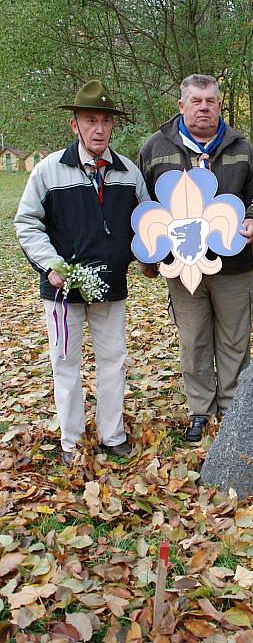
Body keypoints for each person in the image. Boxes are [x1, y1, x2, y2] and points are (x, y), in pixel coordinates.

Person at [14, 79, 150, 467]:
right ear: (75, 125)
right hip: (62, 291)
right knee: (66, 364)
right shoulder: (49, 171)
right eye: (90, 120)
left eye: (106, 121)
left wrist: (149, 255)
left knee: (113, 360)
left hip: (111, 286)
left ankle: (113, 435)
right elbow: (26, 222)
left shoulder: (129, 173)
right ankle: (71, 440)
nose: (99, 129)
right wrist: (51, 265)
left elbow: (148, 221)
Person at [138, 74, 253, 442]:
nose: (204, 107)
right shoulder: (155, 148)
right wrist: (146, 253)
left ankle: (232, 409)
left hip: (232, 266)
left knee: (234, 338)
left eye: (211, 101)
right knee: (194, 339)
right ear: (181, 106)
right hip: (181, 265)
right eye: (196, 101)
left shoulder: (242, 149)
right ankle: (200, 409)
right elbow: (141, 206)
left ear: (219, 105)